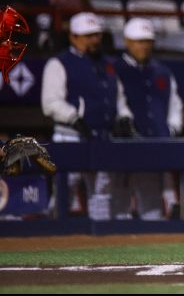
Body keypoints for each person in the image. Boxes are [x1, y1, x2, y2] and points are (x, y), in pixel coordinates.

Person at [40, 12, 134, 219]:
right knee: (66, 189)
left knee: (102, 192)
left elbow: (119, 99)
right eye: (88, 35)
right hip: (70, 135)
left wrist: (124, 117)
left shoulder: (108, 64)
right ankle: (53, 237)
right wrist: (74, 117)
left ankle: (100, 241)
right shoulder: (59, 63)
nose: (94, 40)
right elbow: (50, 102)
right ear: (73, 36)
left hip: (101, 136)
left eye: (97, 35)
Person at [114, 18, 183, 219]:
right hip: (126, 143)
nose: (143, 45)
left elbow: (175, 103)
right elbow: (116, 101)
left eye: (147, 41)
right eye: (138, 41)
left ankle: (149, 241)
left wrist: (173, 128)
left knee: (151, 197)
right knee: (119, 198)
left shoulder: (161, 71)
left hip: (157, 141)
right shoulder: (116, 68)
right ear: (127, 41)